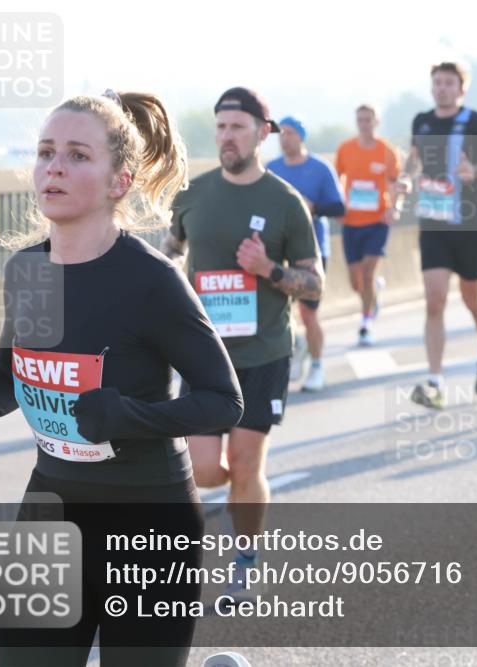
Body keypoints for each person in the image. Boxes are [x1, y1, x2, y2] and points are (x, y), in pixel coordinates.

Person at [0, 90, 244, 667]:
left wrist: (128, 417)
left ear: (119, 181)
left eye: (76, 155)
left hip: (149, 524)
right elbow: (11, 376)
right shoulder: (27, 270)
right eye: (46, 152)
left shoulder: (151, 281)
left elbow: (223, 402)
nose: (54, 167)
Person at [161, 87, 322, 597]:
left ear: (262, 133)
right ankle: (240, 494)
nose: (226, 136)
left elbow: (315, 282)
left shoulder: (285, 203)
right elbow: (170, 255)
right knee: (206, 468)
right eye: (221, 127)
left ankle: (246, 554)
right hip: (204, 356)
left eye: (237, 127)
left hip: (265, 353)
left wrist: (268, 269)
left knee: (249, 464)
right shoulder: (192, 194)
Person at [400, 62, 477, 409]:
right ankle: (434, 382)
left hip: (470, 223)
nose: (442, 88)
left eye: (449, 83)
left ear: (461, 89)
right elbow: (412, 161)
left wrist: (474, 170)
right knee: (434, 300)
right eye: (437, 83)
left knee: (471, 297)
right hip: (434, 223)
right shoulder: (422, 121)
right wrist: (404, 181)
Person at [267, 116, 345, 391]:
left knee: (309, 313)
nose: (284, 138)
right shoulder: (271, 169)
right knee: (279, 311)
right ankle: (296, 344)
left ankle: (317, 366)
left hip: (313, 249)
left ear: (301, 136)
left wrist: (312, 207)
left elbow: (339, 208)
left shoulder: (320, 169)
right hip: (277, 249)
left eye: (289, 133)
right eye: (281, 134)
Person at [335, 104, 403, 346]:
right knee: (356, 280)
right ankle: (373, 292)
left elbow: (396, 183)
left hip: (377, 221)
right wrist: (338, 207)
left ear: (376, 121)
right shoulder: (345, 149)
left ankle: (364, 324)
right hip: (352, 221)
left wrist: (394, 207)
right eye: (360, 119)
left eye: (368, 119)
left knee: (367, 271)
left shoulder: (387, 151)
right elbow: (336, 181)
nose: (364, 124)